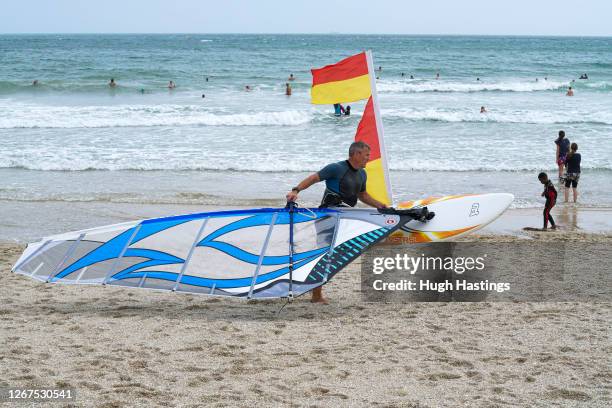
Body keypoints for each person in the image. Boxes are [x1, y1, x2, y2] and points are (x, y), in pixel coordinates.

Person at [286, 141, 387, 303]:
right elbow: (313, 178)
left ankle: (310, 286)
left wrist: (380, 206)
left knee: (339, 253)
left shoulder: (362, 174)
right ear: (356, 154)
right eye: (366, 155)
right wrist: (296, 190)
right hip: (327, 217)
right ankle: (316, 295)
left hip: (346, 218)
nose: (368, 158)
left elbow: (363, 195)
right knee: (323, 254)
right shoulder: (336, 168)